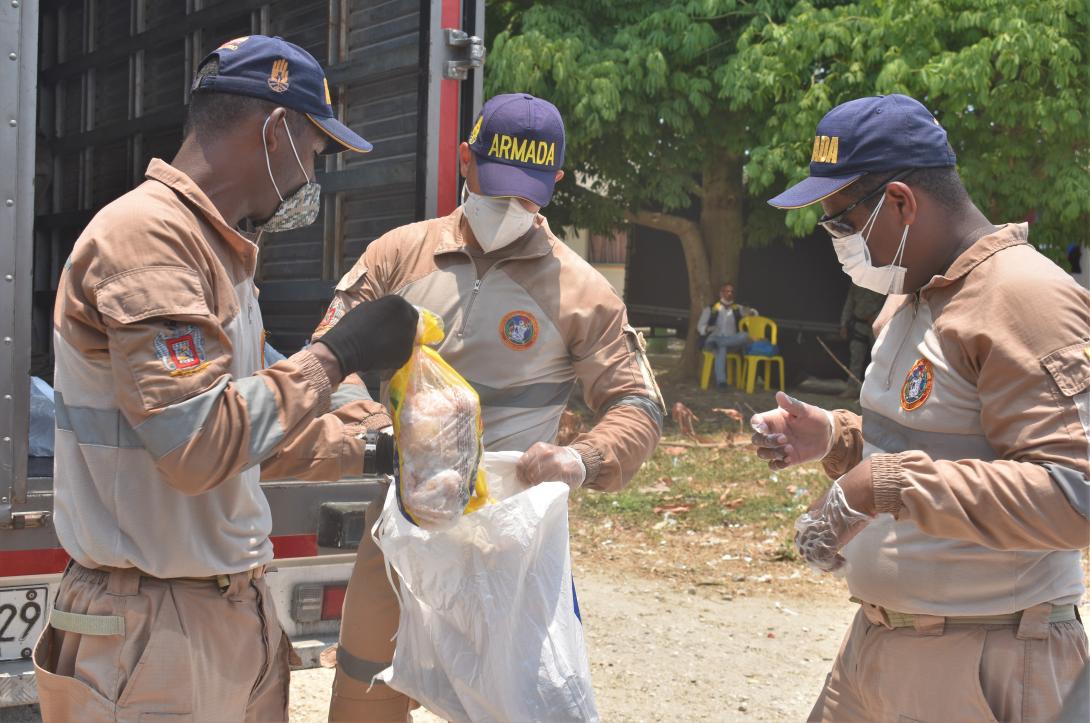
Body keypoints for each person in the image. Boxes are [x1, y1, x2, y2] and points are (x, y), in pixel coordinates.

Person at [36, 36, 418, 722]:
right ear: (275, 132)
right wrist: (337, 353)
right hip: (153, 624)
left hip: (221, 608)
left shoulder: (220, 252)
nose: (311, 175)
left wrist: (376, 450)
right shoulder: (147, 240)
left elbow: (246, 435)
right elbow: (199, 445)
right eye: (313, 150)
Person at [314, 93, 665, 721]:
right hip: (398, 537)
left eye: (530, 194)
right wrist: (375, 426)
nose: (510, 207)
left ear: (555, 182)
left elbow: (636, 403)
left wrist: (581, 458)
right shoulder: (398, 255)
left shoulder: (581, 290)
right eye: (498, 185)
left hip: (505, 549)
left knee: (514, 706)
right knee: (364, 700)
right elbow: (326, 359)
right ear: (464, 162)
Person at [752, 93, 1089, 722]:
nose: (836, 239)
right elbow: (940, 436)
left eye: (841, 220)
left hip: (986, 658)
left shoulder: (1024, 298)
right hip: (879, 643)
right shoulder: (915, 294)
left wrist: (884, 485)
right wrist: (835, 438)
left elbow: (1078, 497)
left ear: (903, 202)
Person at [696, 282, 758, 387]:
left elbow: (755, 314)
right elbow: (700, 327)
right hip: (715, 342)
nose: (729, 293)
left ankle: (718, 342)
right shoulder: (711, 309)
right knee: (721, 348)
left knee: (744, 335)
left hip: (731, 342)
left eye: (731, 292)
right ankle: (722, 382)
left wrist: (751, 312)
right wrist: (709, 328)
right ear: (721, 293)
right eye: (726, 291)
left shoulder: (737, 308)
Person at [837, 283, 884, 386]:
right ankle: (852, 387)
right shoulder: (857, 282)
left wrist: (878, 317)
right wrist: (843, 324)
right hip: (859, 324)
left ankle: (876, 388)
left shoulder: (882, 282)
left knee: (878, 357)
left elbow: (889, 303)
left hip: (876, 325)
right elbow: (849, 303)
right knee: (856, 358)